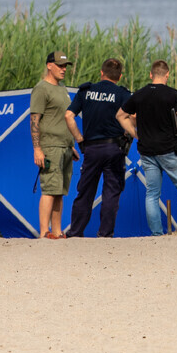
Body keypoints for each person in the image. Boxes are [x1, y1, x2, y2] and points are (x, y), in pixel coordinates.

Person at [117, 60, 177, 234]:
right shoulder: (172, 94)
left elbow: (120, 115)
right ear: (167, 75)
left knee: (152, 193)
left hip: (146, 151)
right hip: (169, 149)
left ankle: (157, 234)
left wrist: (135, 133)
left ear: (151, 74)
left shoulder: (139, 94)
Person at [62, 57, 132, 238]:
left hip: (91, 149)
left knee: (85, 191)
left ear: (101, 73)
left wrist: (80, 140)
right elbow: (133, 117)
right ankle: (105, 234)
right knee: (111, 192)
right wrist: (128, 133)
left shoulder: (86, 91)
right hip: (114, 148)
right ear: (120, 76)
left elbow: (69, 116)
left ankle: (76, 232)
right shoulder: (123, 94)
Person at [29, 50, 76, 239]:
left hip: (65, 146)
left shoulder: (62, 89)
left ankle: (57, 231)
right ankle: (44, 232)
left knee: (59, 191)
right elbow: (34, 120)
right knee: (49, 189)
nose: (63, 69)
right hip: (50, 146)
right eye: (60, 65)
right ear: (49, 66)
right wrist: (37, 149)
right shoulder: (41, 88)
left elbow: (62, 119)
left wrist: (71, 145)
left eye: (65, 66)